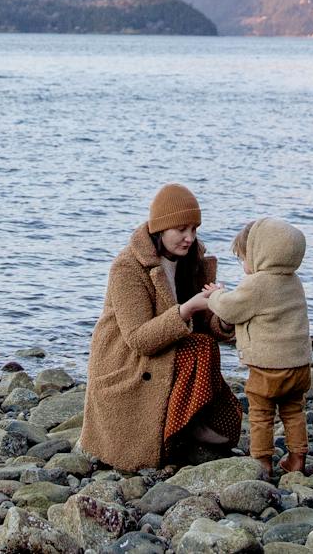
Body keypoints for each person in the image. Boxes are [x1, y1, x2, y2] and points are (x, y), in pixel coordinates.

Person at [80, 183, 243, 470]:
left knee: (204, 348)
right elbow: (139, 339)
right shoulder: (128, 267)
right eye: (181, 229)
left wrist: (224, 313)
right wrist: (188, 308)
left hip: (167, 348)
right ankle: (180, 428)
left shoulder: (191, 259)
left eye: (194, 229)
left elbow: (205, 326)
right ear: (161, 228)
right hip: (126, 361)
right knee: (201, 348)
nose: (189, 238)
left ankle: (187, 423)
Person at [208, 217, 313, 480]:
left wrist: (215, 295)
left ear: (261, 255)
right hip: (299, 365)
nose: (244, 266)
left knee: (261, 414)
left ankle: (263, 461)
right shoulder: (294, 281)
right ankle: (297, 458)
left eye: (244, 258)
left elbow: (230, 310)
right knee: (293, 410)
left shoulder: (257, 284)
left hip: (268, 368)